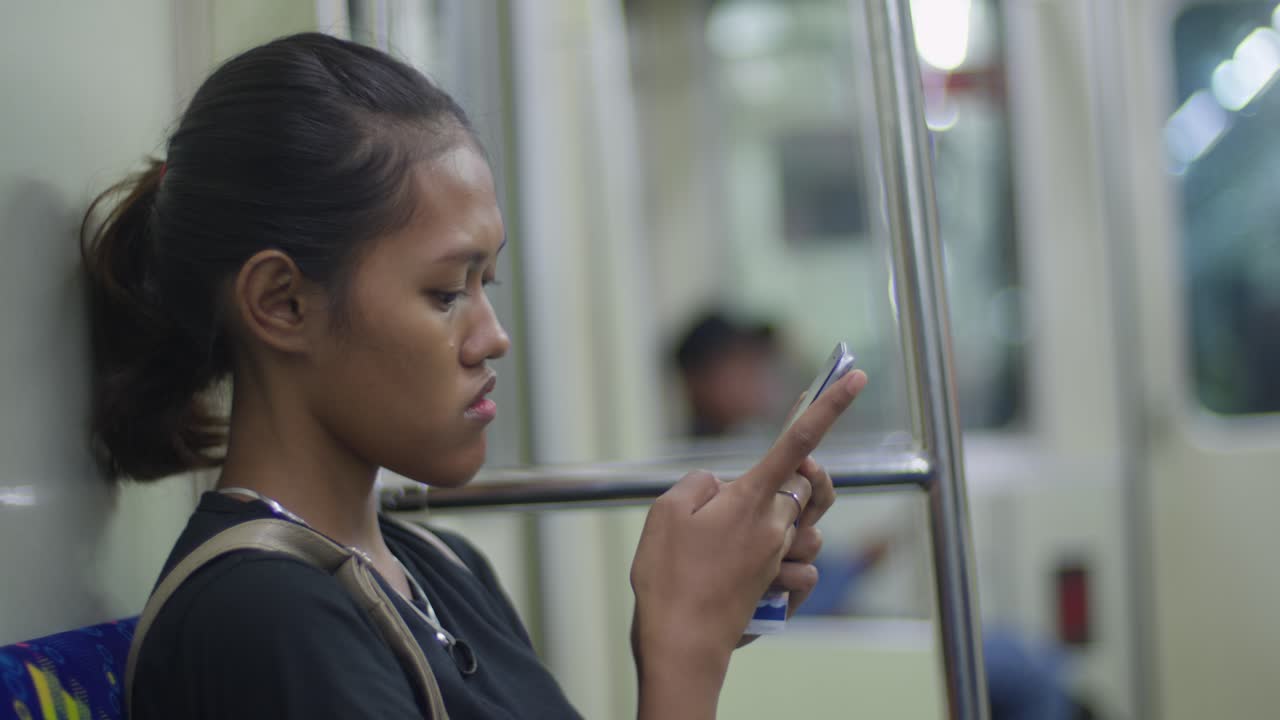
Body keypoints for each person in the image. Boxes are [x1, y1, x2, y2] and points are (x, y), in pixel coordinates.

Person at [81, 33, 868, 719]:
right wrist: (683, 653)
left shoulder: (442, 568)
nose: (493, 338)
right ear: (282, 304)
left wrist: (710, 611)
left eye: (488, 284)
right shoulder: (261, 620)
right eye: (446, 292)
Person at [671, 310, 786, 438]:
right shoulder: (690, 451)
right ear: (696, 380)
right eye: (737, 362)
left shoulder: (747, 438)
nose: (750, 377)